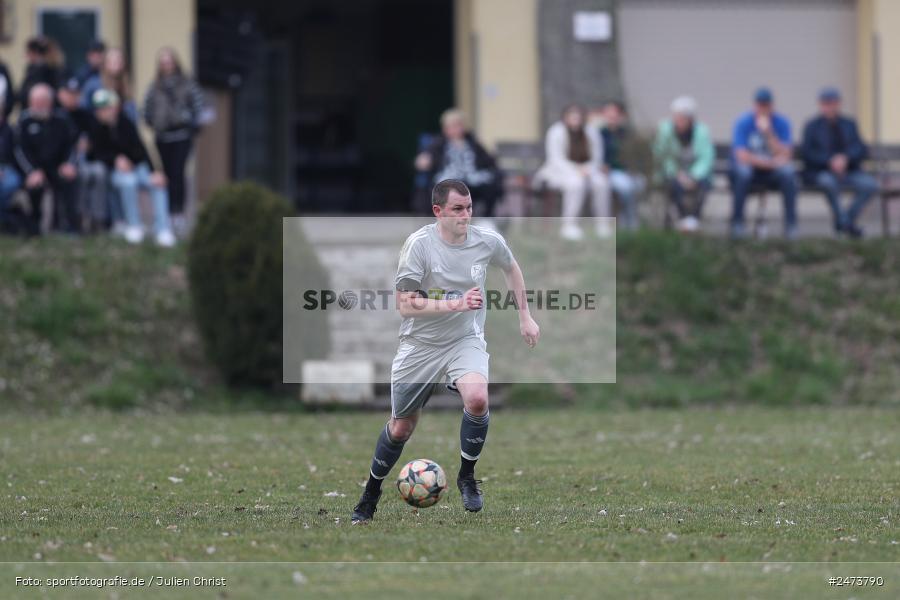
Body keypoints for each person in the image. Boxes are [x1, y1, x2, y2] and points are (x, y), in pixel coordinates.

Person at [350, 179, 541, 524]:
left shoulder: (487, 241)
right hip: (419, 346)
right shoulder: (419, 246)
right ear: (438, 211)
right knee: (400, 429)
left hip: (464, 340)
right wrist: (456, 303)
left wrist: (525, 316)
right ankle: (370, 494)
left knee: (478, 399)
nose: (465, 215)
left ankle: (467, 476)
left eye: (469, 208)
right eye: (457, 209)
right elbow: (405, 305)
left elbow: (511, 267)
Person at [88, 89, 175, 247]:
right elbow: (95, 153)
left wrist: (155, 171)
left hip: (137, 167)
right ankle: (134, 224)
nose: (104, 112)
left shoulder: (126, 122)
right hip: (115, 172)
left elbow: (141, 149)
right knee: (129, 182)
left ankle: (162, 228)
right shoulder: (95, 127)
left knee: (158, 184)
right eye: (100, 108)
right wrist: (115, 159)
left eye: (107, 107)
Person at [801, 87, 878, 238]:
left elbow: (860, 148)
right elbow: (808, 154)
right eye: (826, 103)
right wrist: (830, 161)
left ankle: (844, 222)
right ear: (820, 104)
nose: (830, 106)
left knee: (870, 185)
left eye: (833, 102)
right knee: (828, 182)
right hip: (822, 171)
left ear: (838, 104)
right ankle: (847, 224)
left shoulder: (849, 124)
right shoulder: (812, 126)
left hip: (849, 170)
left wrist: (846, 158)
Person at [143, 47, 205, 235]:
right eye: (163, 63)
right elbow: (146, 109)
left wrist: (190, 122)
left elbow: (198, 106)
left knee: (179, 174)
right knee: (166, 175)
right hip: (162, 137)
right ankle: (167, 213)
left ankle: (178, 213)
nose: (166, 66)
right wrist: (153, 122)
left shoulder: (187, 84)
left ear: (175, 63)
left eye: (169, 62)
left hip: (182, 136)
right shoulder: (154, 87)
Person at [534, 104, 611, 240]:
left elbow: (597, 157)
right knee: (576, 183)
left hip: (587, 170)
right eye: (572, 117)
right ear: (565, 118)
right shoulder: (556, 131)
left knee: (601, 183)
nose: (575, 120)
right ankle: (569, 225)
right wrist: (576, 170)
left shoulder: (591, 132)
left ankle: (602, 224)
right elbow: (555, 159)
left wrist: (587, 169)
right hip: (558, 173)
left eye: (578, 117)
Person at [731, 88, 798, 239]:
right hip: (753, 171)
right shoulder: (744, 122)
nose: (763, 108)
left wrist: (768, 133)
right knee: (743, 173)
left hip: (772, 173)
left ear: (772, 105)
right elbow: (741, 156)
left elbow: (786, 154)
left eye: (766, 105)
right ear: (754, 105)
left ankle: (791, 226)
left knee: (788, 173)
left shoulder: (781, 122)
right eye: (760, 105)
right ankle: (738, 225)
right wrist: (770, 163)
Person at [13, 84, 78, 235]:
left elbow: (72, 146)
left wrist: (69, 164)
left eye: (41, 101)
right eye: (34, 101)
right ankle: (35, 226)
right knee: (35, 186)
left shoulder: (62, 120)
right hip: (33, 169)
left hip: (57, 166)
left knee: (69, 181)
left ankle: (69, 226)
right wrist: (31, 171)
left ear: (49, 102)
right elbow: (20, 151)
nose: (37, 105)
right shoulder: (24, 121)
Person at [414, 109, 502, 219]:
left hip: (473, 180)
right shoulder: (439, 143)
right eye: (451, 126)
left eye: (458, 125)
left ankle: (486, 219)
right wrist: (424, 160)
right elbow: (425, 159)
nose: (455, 129)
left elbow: (489, 161)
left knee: (491, 185)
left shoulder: (472, 143)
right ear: (445, 129)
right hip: (448, 179)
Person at [653, 96, 715, 232]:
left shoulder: (701, 132)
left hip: (696, 174)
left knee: (704, 184)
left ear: (691, 119)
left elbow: (706, 158)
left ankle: (694, 218)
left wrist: (693, 176)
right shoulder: (665, 130)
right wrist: (678, 174)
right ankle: (682, 218)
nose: (679, 121)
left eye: (683, 118)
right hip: (674, 173)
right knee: (673, 185)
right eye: (677, 117)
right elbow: (662, 156)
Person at [59, 77, 107, 233]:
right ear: (62, 94)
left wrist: (89, 146)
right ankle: (79, 216)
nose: (73, 97)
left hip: (88, 158)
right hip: (66, 162)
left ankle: (97, 218)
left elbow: (97, 140)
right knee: (83, 174)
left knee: (99, 171)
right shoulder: (57, 115)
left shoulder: (86, 115)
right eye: (69, 93)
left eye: (76, 94)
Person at [597, 101, 643, 230]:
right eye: (609, 113)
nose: (612, 116)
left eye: (615, 113)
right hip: (611, 172)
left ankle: (628, 218)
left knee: (636, 185)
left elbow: (637, 155)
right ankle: (629, 220)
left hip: (628, 172)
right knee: (625, 187)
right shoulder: (600, 134)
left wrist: (633, 168)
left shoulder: (628, 134)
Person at [81, 47, 137, 122]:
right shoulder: (93, 85)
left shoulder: (125, 86)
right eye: (113, 61)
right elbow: (83, 109)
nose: (117, 63)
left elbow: (133, 115)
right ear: (105, 63)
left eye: (119, 60)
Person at [19, 37, 63, 107]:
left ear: (35, 53)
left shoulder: (42, 71)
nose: (26, 56)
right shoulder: (34, 69)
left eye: (28, 52)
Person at [0, 98, 22, 233]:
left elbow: (17, 155)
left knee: (10, 184)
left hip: (7, 169)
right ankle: (6, 218)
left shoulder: (10, 131)